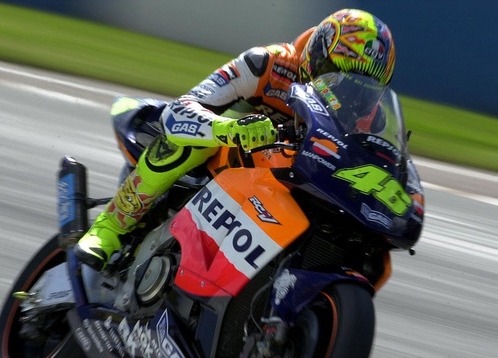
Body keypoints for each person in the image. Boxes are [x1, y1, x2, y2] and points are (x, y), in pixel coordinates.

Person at [74, 8, 396, 270]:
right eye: (336, 75)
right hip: (219, 158)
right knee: (190, 142)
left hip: (282, 178)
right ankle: (109, 228)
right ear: (316, 56)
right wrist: (228, 129)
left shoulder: (370, 116)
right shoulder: (268, 64)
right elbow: (178, 112)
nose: (349, 95)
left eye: (365, 88)